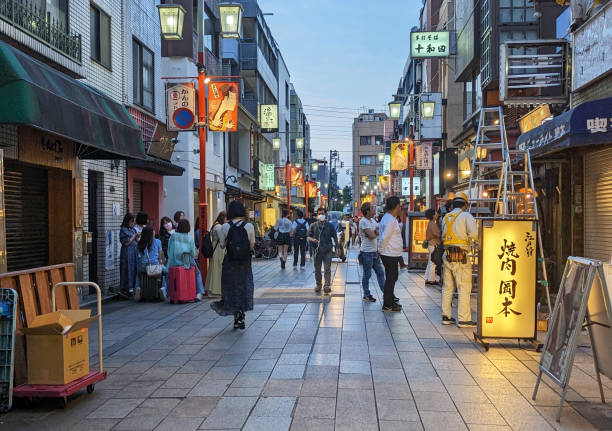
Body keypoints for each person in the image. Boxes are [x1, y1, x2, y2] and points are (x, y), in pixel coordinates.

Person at [211, 201, 256, 330]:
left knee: (231, 288)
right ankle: (241, 313)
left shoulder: (225, 226)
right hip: (244, 263)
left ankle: (236, 316)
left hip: (230, 262)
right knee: (243, 287)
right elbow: (252, 245)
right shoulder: (249, 226)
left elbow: (222, 245)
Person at [441, 193, 478, 327]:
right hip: (461, 254)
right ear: (465, 205)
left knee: (448, 287)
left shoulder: (446, 217)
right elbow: (474, 234)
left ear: (453, 204)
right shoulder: (466, 216)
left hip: (447, 254)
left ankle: (446, 316)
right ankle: (464, 319)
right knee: (464, 287)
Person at [167, 219, 205, 301]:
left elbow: (169, 249)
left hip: (174, 261)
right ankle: (199, 293)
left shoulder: (173, 236)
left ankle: (170, 294)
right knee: (197, 273)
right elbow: (193, 253)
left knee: (170, 274)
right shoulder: (190, 238)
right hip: (186, 261)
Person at [378, 197, 404, 312]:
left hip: (391, 253)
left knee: (392, 277)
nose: (400, 208)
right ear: (396, 206)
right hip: (389, 253)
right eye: (399, 206)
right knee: (391, 278)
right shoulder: (390, 220)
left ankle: (389, 299)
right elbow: (385, 237)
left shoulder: (388, 218)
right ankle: (388, 304)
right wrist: (380, 249)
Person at [307, 207, 338, 294]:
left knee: (327, 268)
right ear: (317, 215)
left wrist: (338, 249)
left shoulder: (330, 226)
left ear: (326, 215)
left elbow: (335, 237)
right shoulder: (313, 226)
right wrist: (312, 239)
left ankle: (327, 285)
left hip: (327, 249)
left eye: (323, 214)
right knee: (317, 269)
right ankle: (318, 284)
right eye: (319, 214)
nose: (321, 215)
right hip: (317, 251)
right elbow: (308, 236)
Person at [359, 202, 385, 302]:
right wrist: (376, 232)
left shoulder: (372, 220)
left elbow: (378, 232)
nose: (374, 209)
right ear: (367, 211)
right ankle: (366, 294)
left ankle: (386, 293)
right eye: (372, 208)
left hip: (374, 251)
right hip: (366, 252)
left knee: (380, 272)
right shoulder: (363, 221)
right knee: (367, 274)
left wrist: (376, 233)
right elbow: (372, 235)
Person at [137, 226, 168, 298]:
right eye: (153, 231)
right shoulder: (157, 241)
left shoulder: (140, 242)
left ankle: (138, 287)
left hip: (143, 267)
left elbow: (138, 256)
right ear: (151, 233)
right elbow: (160, 256)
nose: (154, 232)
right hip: (154, 267)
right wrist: (162, 262)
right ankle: (164, 288)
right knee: (167, 272)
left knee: (137, 273)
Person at [204, 211, 227, 296]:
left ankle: (212, 290)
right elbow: (222, 239)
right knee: (217, 270)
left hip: (215, 250)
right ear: (223, 218)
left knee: (214, 270)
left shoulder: (215, 225)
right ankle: (216, 291)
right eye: (226, 218)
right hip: (218, 250)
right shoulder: (219, 227)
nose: (227, 220)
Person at [119, 213, 140, 297]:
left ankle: (132, 288)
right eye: (132, 221)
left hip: (134, 252)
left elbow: (137, 240)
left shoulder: (133, 230)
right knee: (126, 269)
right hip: (127, 253)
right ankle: (124, 289)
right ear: (128, 221)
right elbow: (126, 243)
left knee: (134, 269)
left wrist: (139, 237)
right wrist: (135, 236)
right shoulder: (123, 230)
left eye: (134, 222)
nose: (133, 223)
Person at [424, 208, 441, 286]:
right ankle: (431, 280)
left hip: (430, 244)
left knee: (430, 261)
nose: (437, 215)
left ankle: (427, 278)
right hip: (433, 244)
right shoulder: (432, 224)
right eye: (436, 213)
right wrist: (440, 234)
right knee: (433, 262)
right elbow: (436, 234)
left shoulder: (430, 223)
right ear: (433, 215)